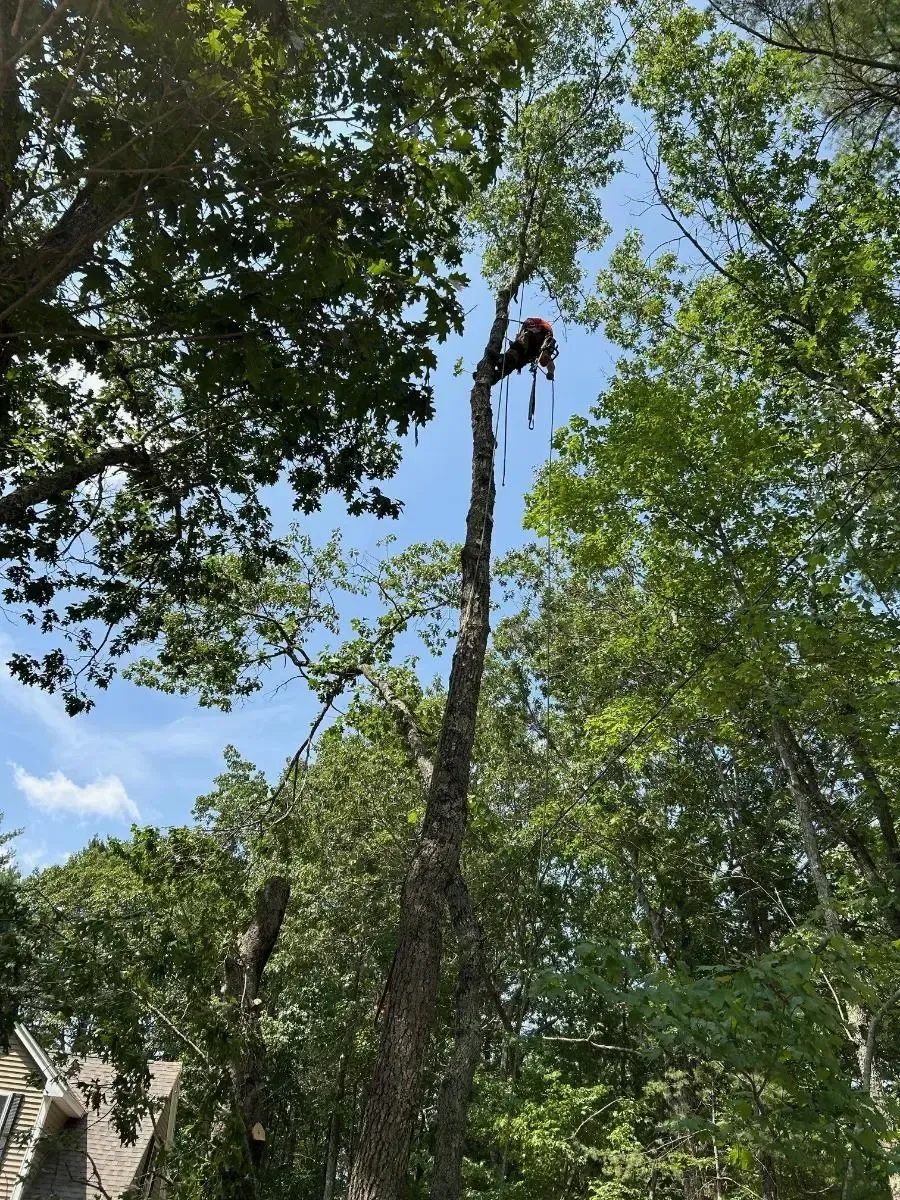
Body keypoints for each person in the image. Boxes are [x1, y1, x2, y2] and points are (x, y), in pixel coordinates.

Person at [491, 316, 557, 385]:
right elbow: (550, 362)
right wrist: (551, 373)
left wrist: (551, 373)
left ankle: (500, 369)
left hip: (535, 341)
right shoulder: (535, 330)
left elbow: (549, 362)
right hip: (535, 338)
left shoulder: (545, 345)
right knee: (519, 352)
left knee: (519, 356)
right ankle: (501, 367)